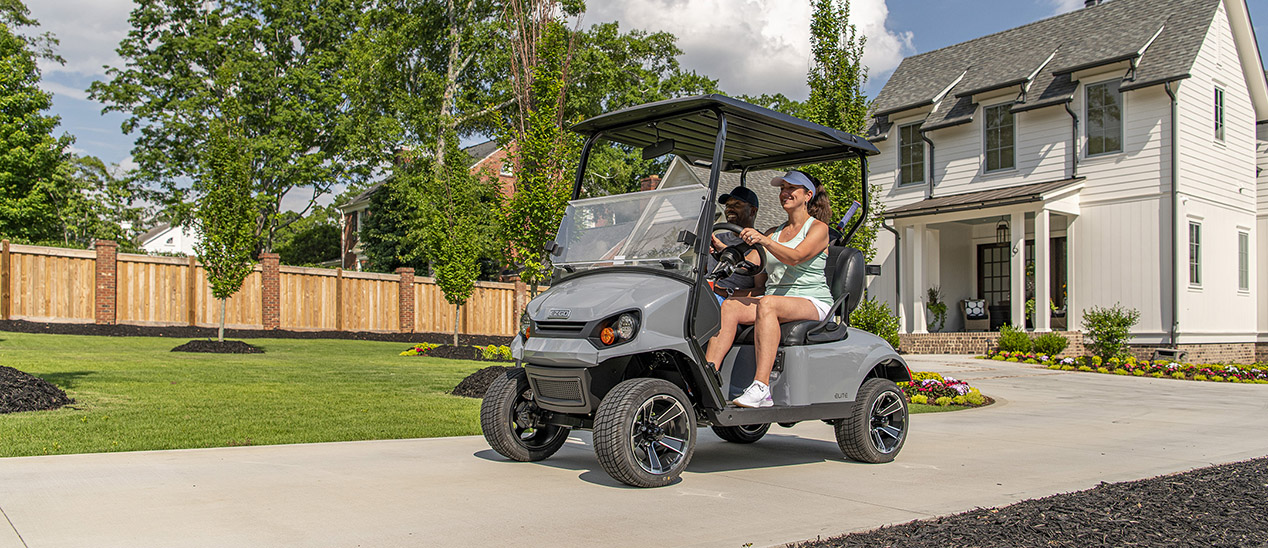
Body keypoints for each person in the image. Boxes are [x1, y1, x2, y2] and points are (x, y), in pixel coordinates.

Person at [703, 170, 834, 408]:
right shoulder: (775, 231)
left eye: (791, 188)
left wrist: (765, 241)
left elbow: (796, 257)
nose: (785, 193)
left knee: (767, 303)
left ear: (807, 195)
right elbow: (749, 265)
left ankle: (762, 387)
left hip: (812, 301)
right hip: (776, 300)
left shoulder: (818, 229)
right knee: (731, 306)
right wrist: (722, 250)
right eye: (782, 189)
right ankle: (707, 376)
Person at [708, 186, 762, 304]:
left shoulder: (759, 244)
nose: (729, 209)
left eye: (736, 205)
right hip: (708, 292)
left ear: (752, 211)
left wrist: (726, 292)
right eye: (727, 205)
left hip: (735, 300)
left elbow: (761, 289)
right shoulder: (717, 239)